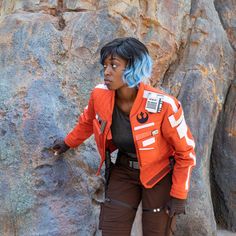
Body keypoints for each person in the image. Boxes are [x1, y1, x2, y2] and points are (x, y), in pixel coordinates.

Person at [52, 37, 196, 236]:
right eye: (105, 66)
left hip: (159, 174)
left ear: (133, 68)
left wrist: (179, 194)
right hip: (123, 168)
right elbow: (87, 122)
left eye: (114, 65)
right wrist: (68, 143)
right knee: (112, 229)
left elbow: (185, 152)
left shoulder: (164, 105)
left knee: (156, 232)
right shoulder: (99, 95)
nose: (107, 72)